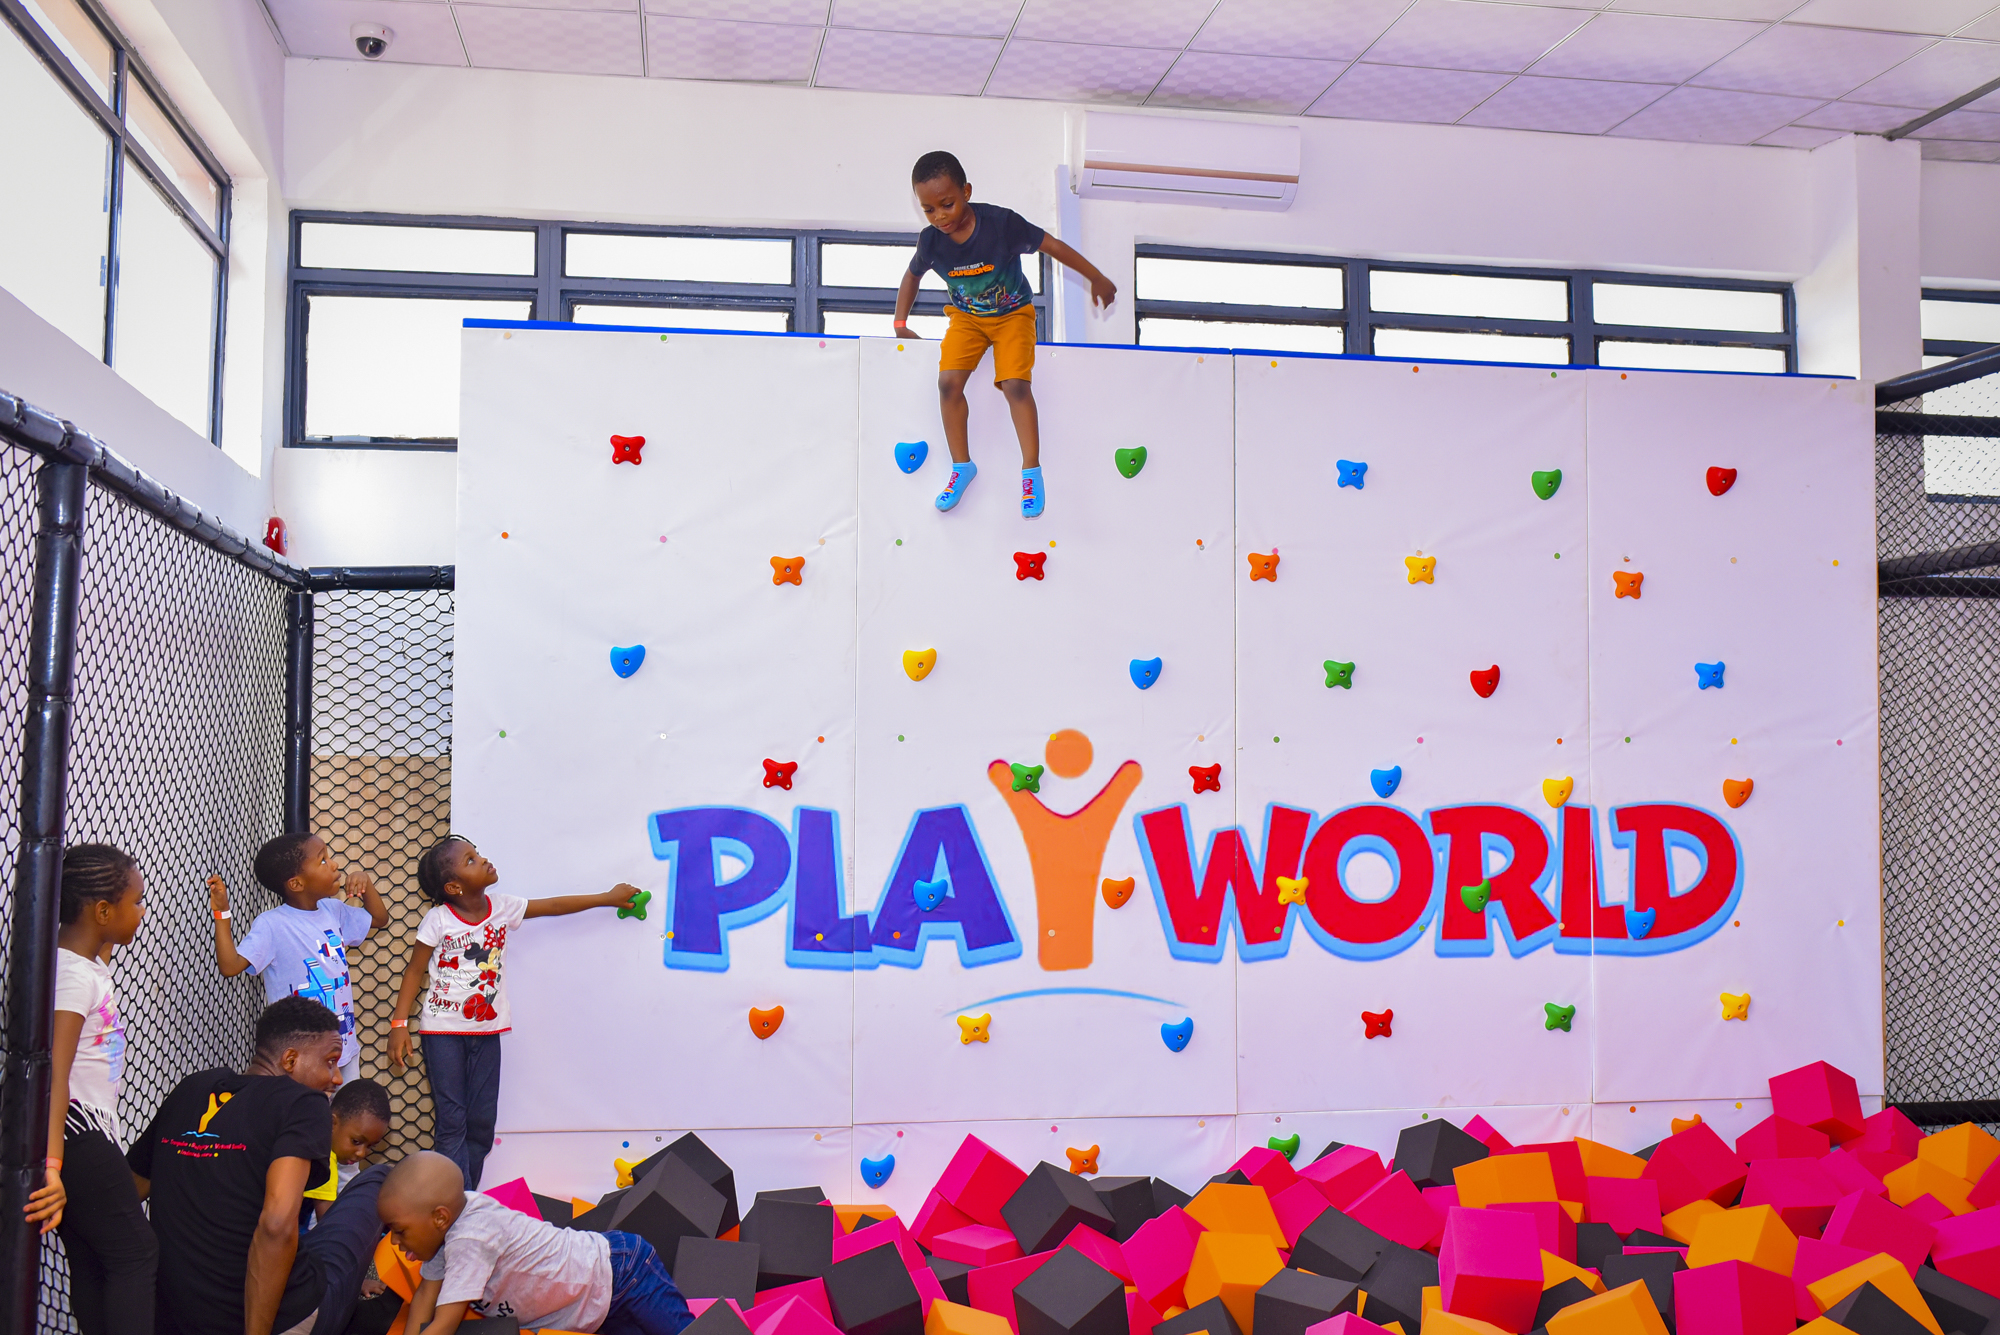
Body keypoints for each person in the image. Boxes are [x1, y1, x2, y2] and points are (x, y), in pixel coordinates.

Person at [387, 836, 643, 1188]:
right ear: (453, 887)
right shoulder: (438, 920)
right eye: (470, 860)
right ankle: (452, 1202)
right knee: (452, 1121)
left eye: (477, 854)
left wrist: (606, 898)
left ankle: (465, 1195)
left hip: (487, 1032)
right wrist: (399, 1024)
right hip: (442, 1032)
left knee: (481, 1124)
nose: (482, 859)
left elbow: (554, 906)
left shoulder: (503, 907)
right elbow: (415, 969)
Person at [129, 996, 390, 1335]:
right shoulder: (304, 1103)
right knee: (380, 1177)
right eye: (330, 1062)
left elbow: (125, 1197)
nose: (337, 1078)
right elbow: (276, 1227)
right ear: (291, 1060)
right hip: (278, 1317)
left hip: (176, 1319)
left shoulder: (191, 1089)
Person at [893, 149, 1117, 520]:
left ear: (966, 191)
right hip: (967, 319)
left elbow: (1052, 246)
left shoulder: (1001, 225)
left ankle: (1031, 472)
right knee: (947, 384)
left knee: (1015, 385)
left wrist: (1096, 277)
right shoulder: (931, 241)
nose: (940, 217)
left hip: (1012, 314)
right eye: (929, 210)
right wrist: (900, 323)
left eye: (947, 204)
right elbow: (912, 275)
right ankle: (962, 467)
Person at [21, 843, 157, 1335]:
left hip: (77, 1134)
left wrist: (105, 933)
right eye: (136, 902)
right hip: (74, 1135)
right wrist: (52, 1167)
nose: (142, 912)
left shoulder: (78, 963)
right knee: (136, 1254)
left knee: (96, 1260)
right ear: (101, 911)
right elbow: (52, 1072)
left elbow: (95, 943)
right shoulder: (73, 977)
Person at [379, 1151, 691, 1335]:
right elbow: (425, 1297)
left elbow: (444, 1323)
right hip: (594, 1308)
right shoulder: (445, 1234)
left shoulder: (471, 1238)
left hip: (622, 1274)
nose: (394, 1240)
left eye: (400, 1230)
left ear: (440, 1217)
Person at [212, 832, 389, 1084]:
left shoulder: (333, 910)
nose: (334, 864)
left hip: (344, 1048)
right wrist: (222, 914)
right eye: (323, 860)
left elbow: (380, 919)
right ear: (296, 884)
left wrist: (366, 885)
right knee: (308, 1110)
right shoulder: (272, 924)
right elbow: (230, 966)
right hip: (300, 1061)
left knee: (346, 1109)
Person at [302, 1078, 392, 1225]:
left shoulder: (309, 1133)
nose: (361, 1153)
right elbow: (328, 1226)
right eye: (356, 1141)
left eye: (371, 1146)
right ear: (332, 1123)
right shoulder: (324, 1160)